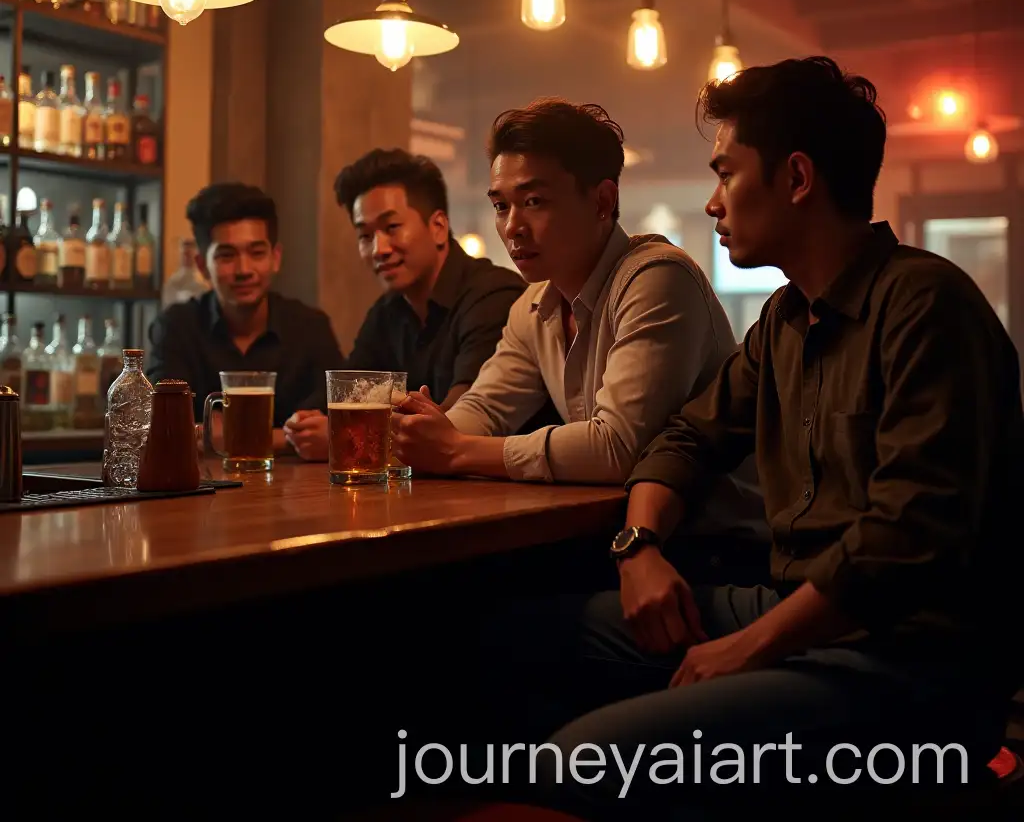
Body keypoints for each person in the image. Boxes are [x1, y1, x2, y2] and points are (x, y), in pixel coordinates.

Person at [500, 57, 1023, 818]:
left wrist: (747, 649)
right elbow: (684, 439)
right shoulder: (784, 320)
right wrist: (639, 548)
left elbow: (906, 544)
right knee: (509, 637)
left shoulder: (926, 305)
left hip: (905, 663)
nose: (712, 203)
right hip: (789, 614)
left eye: (726, 173)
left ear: (798, 178)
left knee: (577, 763)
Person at [391, 98, 767, 578]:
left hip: (718, 550)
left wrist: (456, 450)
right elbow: (484, 409)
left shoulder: (656, 278)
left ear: (602, 202)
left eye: (534, 202)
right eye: (502, 206)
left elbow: (618, 447)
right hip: (626, 543)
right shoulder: (535, 305)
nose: (512, 228)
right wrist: (422, 433)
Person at [283, 148, 553, 460]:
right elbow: (342, 395)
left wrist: (344, 438)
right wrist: (300, 426)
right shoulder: (387, 312)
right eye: (365, 235)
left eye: (392, 227)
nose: (379, 249)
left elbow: (456, 422)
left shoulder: (493, 295)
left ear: (438, 227)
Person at [148, 183, 343, 453]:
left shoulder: (310, 326)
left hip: (296, 492)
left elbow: (329, 426)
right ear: (203, 266)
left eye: (257, 253)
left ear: (275, 258)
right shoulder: (176, 327)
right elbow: (170, 427)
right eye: (226, 256)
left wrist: (224, 436)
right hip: (204, 489)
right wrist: (285, 438)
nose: (244, 270)